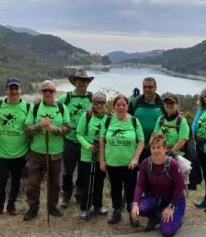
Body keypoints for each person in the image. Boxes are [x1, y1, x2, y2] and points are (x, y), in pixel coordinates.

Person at [23, 80, 71, 220]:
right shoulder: (35, 108)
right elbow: (27, 129)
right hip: (36, 152)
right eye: (45, 90)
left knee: (55, 183)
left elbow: (67, 128)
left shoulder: (62, 107)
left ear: (55, 92)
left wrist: (53, 129)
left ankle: (52, 207)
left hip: (55, 152)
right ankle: (33, 208)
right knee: (33, 182)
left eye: (51, 90)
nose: (48, 93)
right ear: (42, 92)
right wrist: (39, 125)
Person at [100, 94, 145, 225]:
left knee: (131, 189)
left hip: (130, 163)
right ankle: (117, 211)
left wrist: (136, 159)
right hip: (112, 162)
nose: (121, 107)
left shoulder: (134, 121)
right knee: (115, 188)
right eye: (118, 105)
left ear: (127, 106)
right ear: (114, 107)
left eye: (123, 105)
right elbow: (102, 141)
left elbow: (141, 141)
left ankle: (132, 214)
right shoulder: (108, 120)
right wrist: (102, 160)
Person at [131, 133, 186, 237]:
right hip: (156, 199)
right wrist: (135, 204)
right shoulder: (146, 163)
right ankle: (156, 217)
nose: (156, 150)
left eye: (159, 147)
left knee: (167, 231)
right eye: (153, 148)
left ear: (165, 148)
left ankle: (177, 219)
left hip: (174, 201)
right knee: (140, 207)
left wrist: (171, 206)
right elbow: (140, 185)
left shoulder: (172, 164)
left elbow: (180, 187)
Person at [57, 69, 94, 209]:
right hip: (69, 141)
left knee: (84, 171)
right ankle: (66, 196)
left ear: (88, 83)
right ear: (75, 82)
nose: (82, 83)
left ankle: (80, 195)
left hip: (85, 143)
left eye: (85, 80)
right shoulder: (65, 99)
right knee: (67, 171)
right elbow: (55, 112)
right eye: (79, 80)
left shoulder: (91, 99)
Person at [0, 78, 30, 216]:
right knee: (0, 182)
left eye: (16, 88)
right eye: (11, 88)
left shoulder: (28, 107)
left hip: (20, 153)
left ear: (20, 90)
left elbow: (30, 127)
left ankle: (11, 206)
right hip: (1, 153)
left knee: (16, 181)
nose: (14, 91)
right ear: (6, 90)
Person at [75, 91, 109, 220]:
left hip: (102, 156)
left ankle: (98, 206)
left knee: (99, 182)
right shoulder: (87, 116)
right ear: (93, 103)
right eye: (96, 103)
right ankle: (84, 207)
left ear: (105, 103)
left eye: (102, 103)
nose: (99, 105)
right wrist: (88, 146)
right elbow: (79, 134)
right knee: (87, 183)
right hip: (87, 156)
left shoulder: (109, 117)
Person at [128, 77, 164, 162]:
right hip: (137, 146)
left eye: (150, 87)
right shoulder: (135, 102)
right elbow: (126, 118)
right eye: (144, 87)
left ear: (155, 88)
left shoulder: (161, 103)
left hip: (156, 147)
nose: (147, 89)